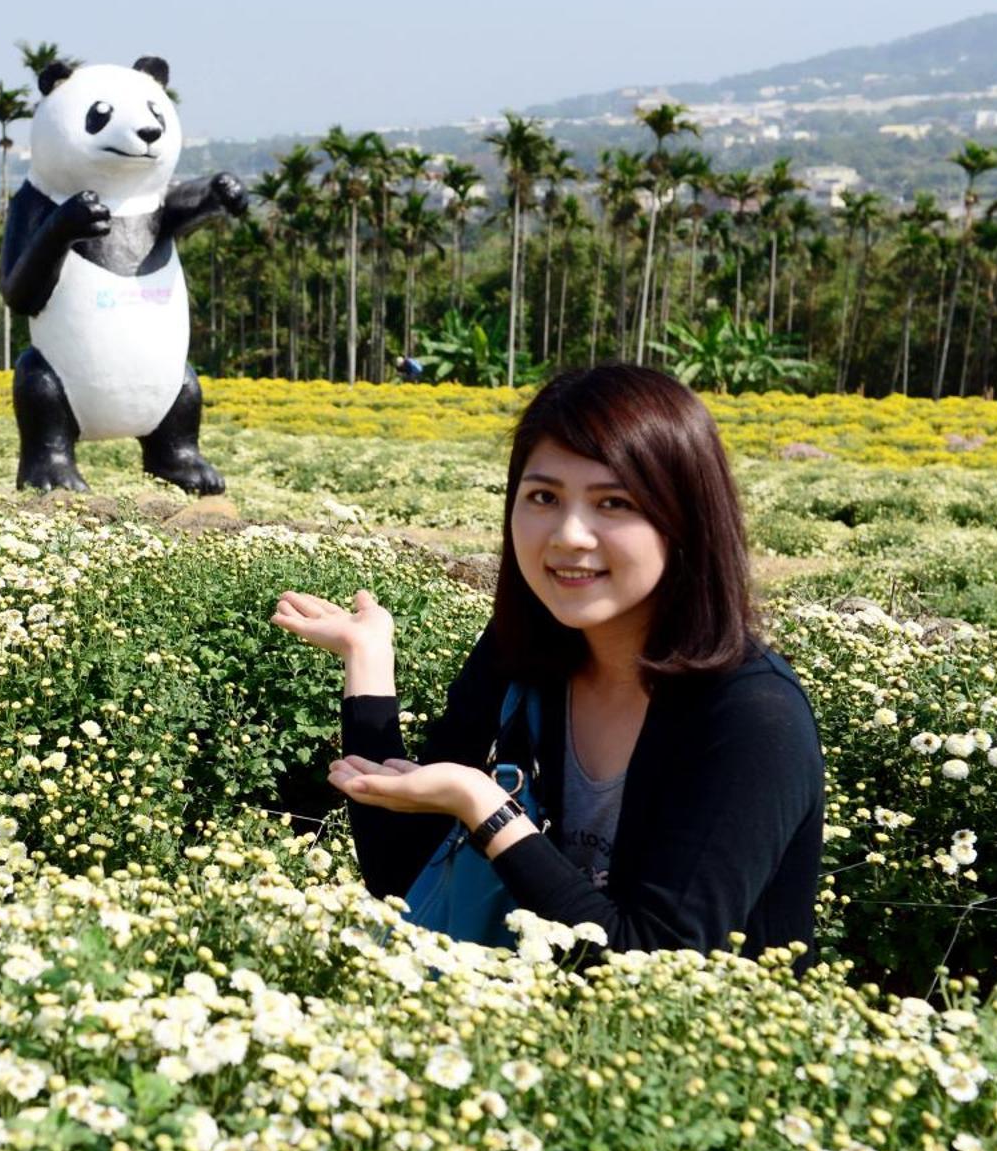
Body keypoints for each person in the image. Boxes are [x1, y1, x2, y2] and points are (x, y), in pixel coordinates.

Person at [272, 364, 822, 962]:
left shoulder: (751, 716)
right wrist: (368, 659)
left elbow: (653, 965)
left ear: (685, 519)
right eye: (543, 497)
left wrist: (484, 807)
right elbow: (398, 873)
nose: (568, 535)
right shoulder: (525, 651)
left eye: (613, 502)